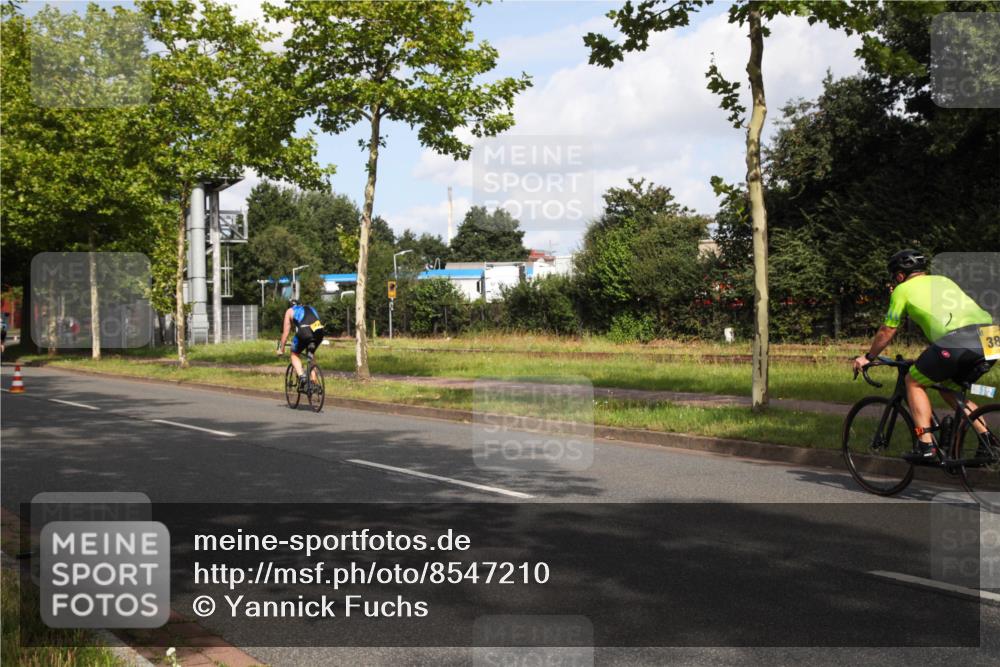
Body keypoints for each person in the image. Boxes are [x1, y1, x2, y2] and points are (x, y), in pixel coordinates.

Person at [852, 249, 996, 462]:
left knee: (913, 381)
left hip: (958, 341)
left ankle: (926, 444)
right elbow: (950, 318)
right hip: (992, 337)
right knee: (951, 390)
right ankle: (988, 443)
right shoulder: (943, 281)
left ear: (899, 275)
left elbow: (887, 330)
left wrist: (869, 357)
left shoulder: (902, 290)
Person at [277, 299, 325, 389]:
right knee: (311, 353)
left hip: (305, 331)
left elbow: (286, 332)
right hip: (319, 331)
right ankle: (314, 381)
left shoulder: (290, 311)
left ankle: (302, 377)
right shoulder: (310, 308)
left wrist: (282, 348)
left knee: (294, 354)